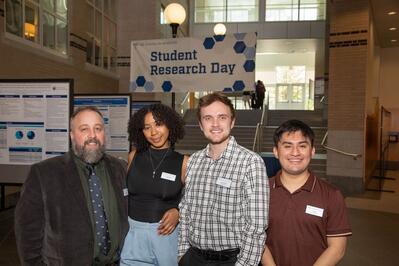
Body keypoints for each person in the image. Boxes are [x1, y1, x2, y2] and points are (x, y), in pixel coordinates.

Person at [15, 106, 129, 265]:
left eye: (98, 128)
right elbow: (28, 234)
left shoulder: (119, 168)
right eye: (84, 129)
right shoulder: (44, 173)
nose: (92, 136)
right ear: (72, 135)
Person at [178, 92, 269, 266]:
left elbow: (256, 227)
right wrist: (182, 254)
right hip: (193, 258)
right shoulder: (194, 161)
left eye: (222, 117)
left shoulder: (250, 162)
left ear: (232, 121)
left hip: (232, 260)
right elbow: (186, 211)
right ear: (200, 124)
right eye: (208, 118)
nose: (215, 124)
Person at [261, 119, 352, 266]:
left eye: (302, 146)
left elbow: (337, 248)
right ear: (276, 152)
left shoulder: (332, 195)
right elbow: (256, 238)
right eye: (287, 146)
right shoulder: (260, 192)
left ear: (312, 151)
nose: (295, 153)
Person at [120, 103, 188, 266]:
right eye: (147, 127)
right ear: (140, 131)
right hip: (132, 237)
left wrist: (179, 212)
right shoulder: (133, 156)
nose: (153, 132)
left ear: (170, 125)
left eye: (158, 124)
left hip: (166, 237)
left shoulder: (184, 162)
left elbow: (195, 201)